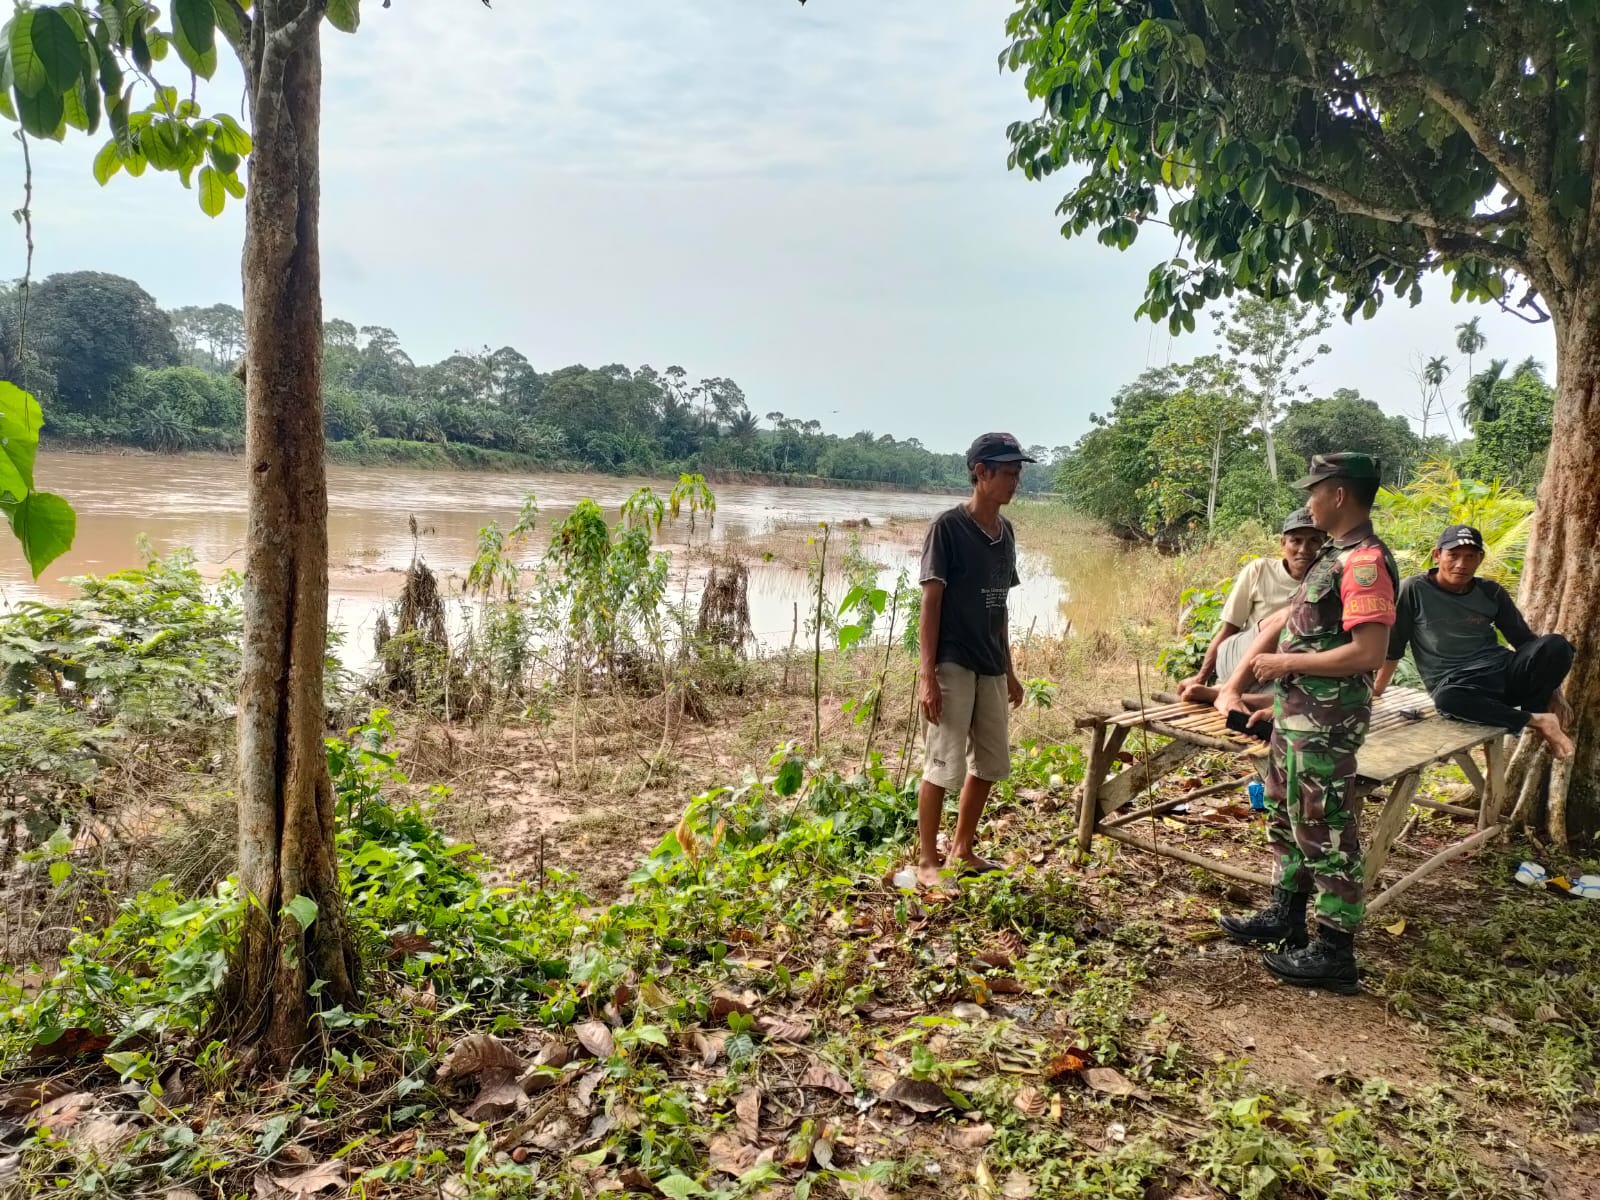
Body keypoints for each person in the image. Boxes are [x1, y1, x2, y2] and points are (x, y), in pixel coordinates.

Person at [1212, 453, 1399, 994]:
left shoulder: (1364, 563)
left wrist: (1285, 664)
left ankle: (1335, 951)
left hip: (1327, 722)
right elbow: (1305, 628)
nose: (1309, 501)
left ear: (1338, 495)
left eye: (1315, 491)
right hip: (1298, 716)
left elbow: (1368, 653)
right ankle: (1286, 916)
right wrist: (1275, 696)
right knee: (1285, 811)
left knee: (1325, 824)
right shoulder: (1332, 555)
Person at [913, 432, 1030, 888]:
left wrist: (1010, 669)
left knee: (989, 763)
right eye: (1008, 473)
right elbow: (931, 604)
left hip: (991, 664)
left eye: (1017, 474)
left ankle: (962, 850)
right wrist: (927, 676)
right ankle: (928, 861)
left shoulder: (1006, 533)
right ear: (981, 473)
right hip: (953, 662)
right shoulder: (947, 528)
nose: (1015, 482)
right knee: (942, 764)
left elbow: (1000, 606)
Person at [1377, 524, 1574, 759]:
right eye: (1453, 555)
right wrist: (1377, 689)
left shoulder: (1490, 591)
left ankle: (1537, 711)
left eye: (1470, 556)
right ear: (1437, 555)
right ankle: (1537, 720)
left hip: (1503, 672)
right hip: (1458, 684)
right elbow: (1395, 645)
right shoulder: (1414, 589)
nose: (1461, 564)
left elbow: (1525, 641)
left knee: (1556, 645)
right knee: (1447, 701)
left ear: (1480, 559)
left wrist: (1555, 692)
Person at [1178, 509, 1325, 706]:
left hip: (1276, 670)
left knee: (1310, 699)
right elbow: (1228, 630)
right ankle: (1230, 688)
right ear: (1283, 543)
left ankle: (1220, 694)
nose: (1304, 549)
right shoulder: (1260, 570)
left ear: (1325, 545)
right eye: (1296, 541)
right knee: (1292, 614)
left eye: (1314, 541)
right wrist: (1200, 677)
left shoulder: (1327, 583)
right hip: (1238, 657)